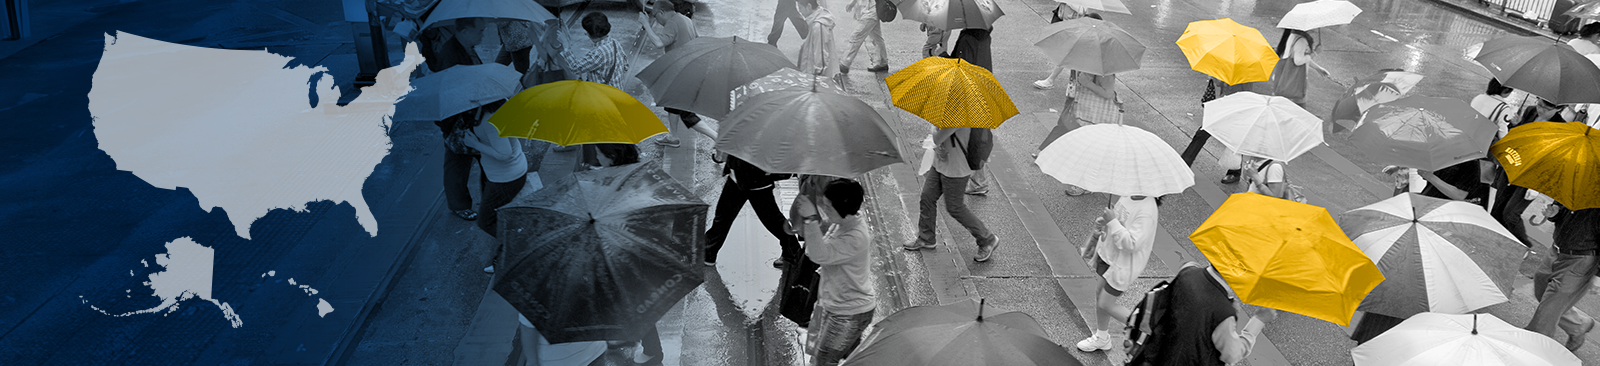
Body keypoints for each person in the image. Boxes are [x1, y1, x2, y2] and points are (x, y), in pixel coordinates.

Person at [1126, 262, 1276, 365]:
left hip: (1158, 357)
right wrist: (1258, 320)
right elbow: (1231, 354)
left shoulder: (1188, 273)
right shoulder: (1223, 312)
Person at [549, 11, 643, 170]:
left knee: (593, 129)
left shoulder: (599, 52)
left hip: (601, 99)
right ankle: (579, 149)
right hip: (615, 95)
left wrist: (566, 46)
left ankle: (592, 163)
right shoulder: (614, 43)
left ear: (588, 33)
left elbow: (575, 67)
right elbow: (625, 66)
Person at [799, 180, 874, 366]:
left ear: (844, 208)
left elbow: (818, 254)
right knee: (842, 357)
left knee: (822, 361)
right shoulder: (842, 223)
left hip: (848, 313)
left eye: (829, 208)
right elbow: (813, 251)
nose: (825, 211)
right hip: (830, 304)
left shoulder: (855, 237)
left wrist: (810, 220)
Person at [1076, 194, 1160, 352]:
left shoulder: (1147, 210)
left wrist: (1113, 221)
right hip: (1108, 255)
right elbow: (1119, 221)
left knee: (1105, 303)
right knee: (1099, 293)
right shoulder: (1129, 194)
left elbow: (1132, 243)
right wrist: (1107, 222)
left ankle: (1147, 333)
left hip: (1122, 265)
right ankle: (1102, 337)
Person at [905, 128, 1001, 262]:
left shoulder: (956, 114)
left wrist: (934, 132)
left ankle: (987, 239)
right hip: (941, 162)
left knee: (955, 207)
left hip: (956, 168)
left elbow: (937, 138)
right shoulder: (948, 112)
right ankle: (926, 238)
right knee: (927, 196)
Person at [462, 101, 528, 274]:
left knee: (485, 220)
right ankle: (509, 248)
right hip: (507, 173)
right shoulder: (499, 107)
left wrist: (474, 143)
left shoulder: (489, 120)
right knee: (500, 214)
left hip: (505, 178)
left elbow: (504, 153)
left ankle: (518, 244)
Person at [704, 156, 801, 268]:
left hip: (755, 179)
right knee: (723, 218)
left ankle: (793, 252)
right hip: (741, 176)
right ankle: (708, 253)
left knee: (772, 220)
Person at [646, 0, 719, 148]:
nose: (656, 20)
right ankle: (673, 136)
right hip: (687, 70)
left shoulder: (672, 22)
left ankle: (718, 139)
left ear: (661, 12)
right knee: (672, 104)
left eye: (654, 16)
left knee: (686, 114)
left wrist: (645, 24)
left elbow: (659, 43)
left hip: (682, 74)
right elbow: (697, 39)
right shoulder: (685, 19)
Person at [1527, 204, 1600, 351]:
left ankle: (1531, 348)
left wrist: (1598, 276)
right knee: (1542, 291)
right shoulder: (1574, 185)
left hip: (1581, 259)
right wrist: (1554, 214)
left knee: (1547, 313)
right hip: (1556, 250)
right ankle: (1578, 325)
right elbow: (1563, 215)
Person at [1179, 76, 1253, 186]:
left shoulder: (1246, 70)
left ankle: (1235, 171)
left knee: (1234, 139)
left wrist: (1220, 81)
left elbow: (1241, 92)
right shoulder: (1227, 63)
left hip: (1236, 107)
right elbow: (1219, 85)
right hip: (1221, 105)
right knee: (1202, 134)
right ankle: (1184, 164)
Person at [1060, 68, 1122, 196]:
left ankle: (1085, 184)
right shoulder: (1086, 68)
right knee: (1086, 150)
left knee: (1089, 151)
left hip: (1097, 118)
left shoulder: (1105, 73)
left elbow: (1108, 94)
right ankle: (1086, 182)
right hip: (1086, 116)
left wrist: (1087, 83)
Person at [949, 26, 994, 195]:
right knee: (977, 135)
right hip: (981, 87)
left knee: (965, 136)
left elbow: (960, 66)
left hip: (967, 92)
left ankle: (976, 182)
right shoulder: (984, 35)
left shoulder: (968, 38)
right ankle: (978, 181)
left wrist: (942, 54)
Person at [1267, 29, 1331, 107]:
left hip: (1286, 78)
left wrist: (1318, 68)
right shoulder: (1301, 41)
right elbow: (1298, 61)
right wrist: (1315, 53)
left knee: (1283, 109)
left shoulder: (1292, 36)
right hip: (1296, 82)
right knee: (1299, 111)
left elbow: (1298, 58)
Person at [1034, 9, 1094, 90]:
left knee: (1070, 54)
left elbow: (1082, 11)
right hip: (1073, 26)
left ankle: (1051, 80)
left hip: (1078, 27)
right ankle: (1053, 80)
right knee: (1070, 55)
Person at [838, 0, 889, 74]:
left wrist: (853, 2)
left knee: (856, 36)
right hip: (873, 9)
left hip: (872, 11)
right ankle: (882, 62)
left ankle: (845, 63)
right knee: (877, 38)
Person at [796, 0, 837, 78]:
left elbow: (820, 54)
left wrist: (817, 74)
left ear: (809, 6)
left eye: (800, 8)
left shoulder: (818, 26)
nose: (799, 11)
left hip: (816, 75)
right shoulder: (817, 19)